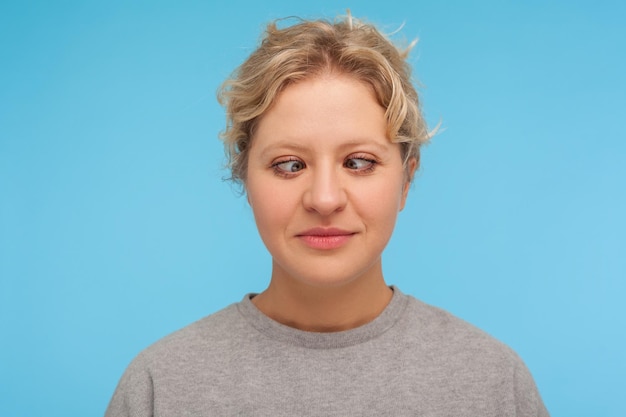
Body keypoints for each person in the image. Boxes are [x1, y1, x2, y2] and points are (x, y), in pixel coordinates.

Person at [105, 12, 549, 417]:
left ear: (407, 180)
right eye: (289, 165)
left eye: (358, 162)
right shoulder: (158, 388)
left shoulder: (493, 384)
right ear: (245, 179)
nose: (324, 198)